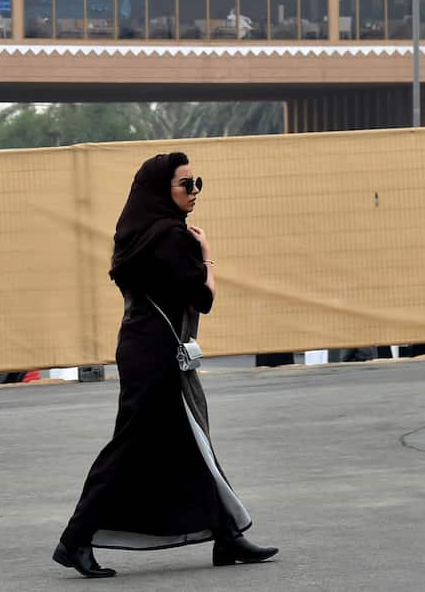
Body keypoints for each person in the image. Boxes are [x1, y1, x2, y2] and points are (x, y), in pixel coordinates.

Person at [53, 153, 278, 578]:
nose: (194, 192)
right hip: (158, 354)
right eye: (185, 185)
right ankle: (74, 539)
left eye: (198, 184)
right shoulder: (171, 237)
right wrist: (207, 255)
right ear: (162, 190)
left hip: (143, 347)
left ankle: (227, 535)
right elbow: (204, 298)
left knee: (192, 441)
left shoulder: (136, 232)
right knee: (132, 445)